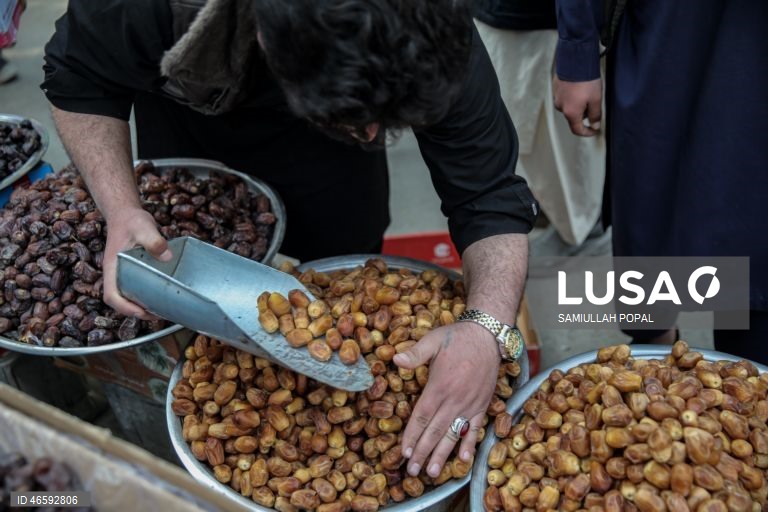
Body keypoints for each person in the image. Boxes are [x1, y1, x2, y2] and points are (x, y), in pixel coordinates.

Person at [42, 0, 538, 476]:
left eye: (384, 120)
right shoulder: (146, 8)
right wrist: (122, 208)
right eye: (354, 117)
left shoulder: (431, 26)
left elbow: (488, 193)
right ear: (265, 33)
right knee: (201, 317)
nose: (372, 135)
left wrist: (487, 328)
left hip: (329, 168)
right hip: (193, 130)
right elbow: (77, 76)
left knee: (346, 247)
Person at [554, 1, 768, 363]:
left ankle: (748, 387)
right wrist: (578, 50)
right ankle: (653, 350)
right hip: (664, 30)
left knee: (751, 250)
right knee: (650, 210)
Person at [474, 0, 607, 257]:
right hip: (495, 16)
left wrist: (576, 56)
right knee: (510, 135)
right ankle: (563, 222)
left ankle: (584, 231)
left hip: (545, 26)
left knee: (558, 147)